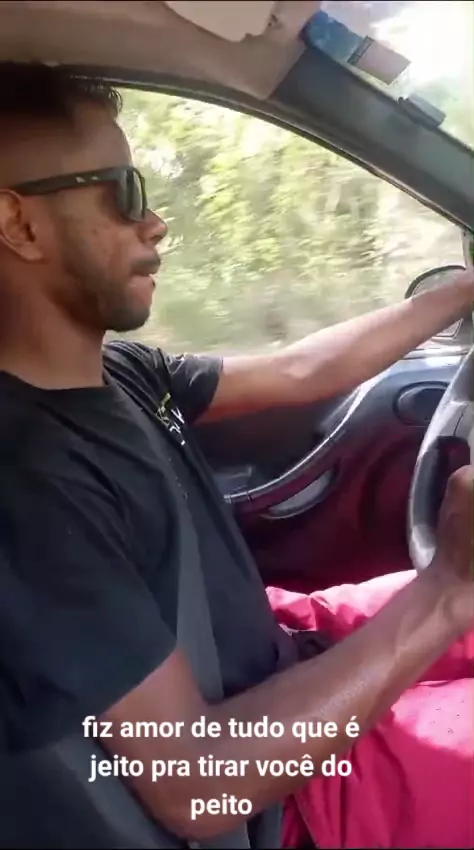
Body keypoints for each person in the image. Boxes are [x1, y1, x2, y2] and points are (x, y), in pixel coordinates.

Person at [0, 62, 472, 850]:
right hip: (281, 797)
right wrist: (449, 589)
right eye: (123, 193)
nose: (155, 224)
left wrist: (460, 292)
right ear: (19, 225)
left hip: (272, 652)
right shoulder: (29, 488)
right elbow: (198, 788)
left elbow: (302, 372)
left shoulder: (120, 371)